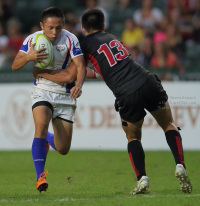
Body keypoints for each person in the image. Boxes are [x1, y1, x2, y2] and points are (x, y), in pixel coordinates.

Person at [34, 9, 192, 195]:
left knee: (133, 137)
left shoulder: (84, 45)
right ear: (103, 26)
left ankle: (142, 179)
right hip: (147, 80)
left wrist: (42, 73)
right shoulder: (113, 38)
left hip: (126, 93)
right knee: (168, 124)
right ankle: (180, 164)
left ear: (83, 29)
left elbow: (71, 74)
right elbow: (105, 70)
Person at [11, 7, 86, 192]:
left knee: (63, 148)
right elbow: (15, 65)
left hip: (64, 95)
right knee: (41, 125)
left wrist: (79, 85)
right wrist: (29, 56)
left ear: (63, 25)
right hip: (42, 90)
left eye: (58, 28)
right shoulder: (32, 40)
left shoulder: (70, 39)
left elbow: (81, 66)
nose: (54, 32)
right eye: (50, 27)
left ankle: (46, 139)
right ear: (41, 25)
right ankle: (40, 177)